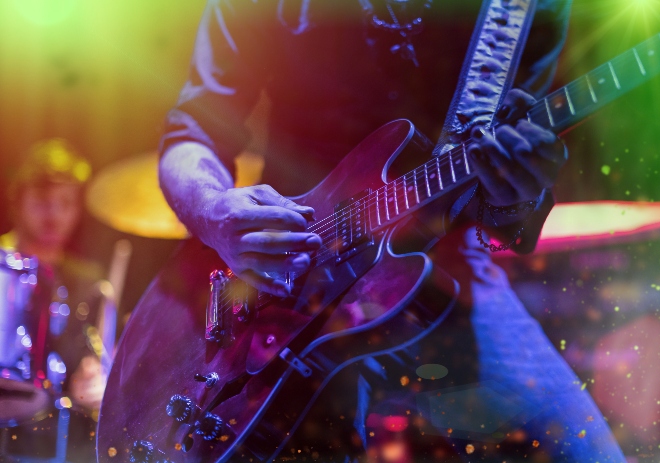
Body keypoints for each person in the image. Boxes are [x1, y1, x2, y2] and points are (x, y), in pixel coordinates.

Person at [159, 0, 625, 461]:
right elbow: (193, 129)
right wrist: (214, 211)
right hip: (283, 283)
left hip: (445, 280)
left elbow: (502, 180)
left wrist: (516, 192)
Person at [1, 139, 105, 461]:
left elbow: (90, 355)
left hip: (53, 441)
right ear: (17, 201)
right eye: (43, 202)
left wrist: (95, 376)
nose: (55, 215)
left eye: (66, 203)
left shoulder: (87, 281)